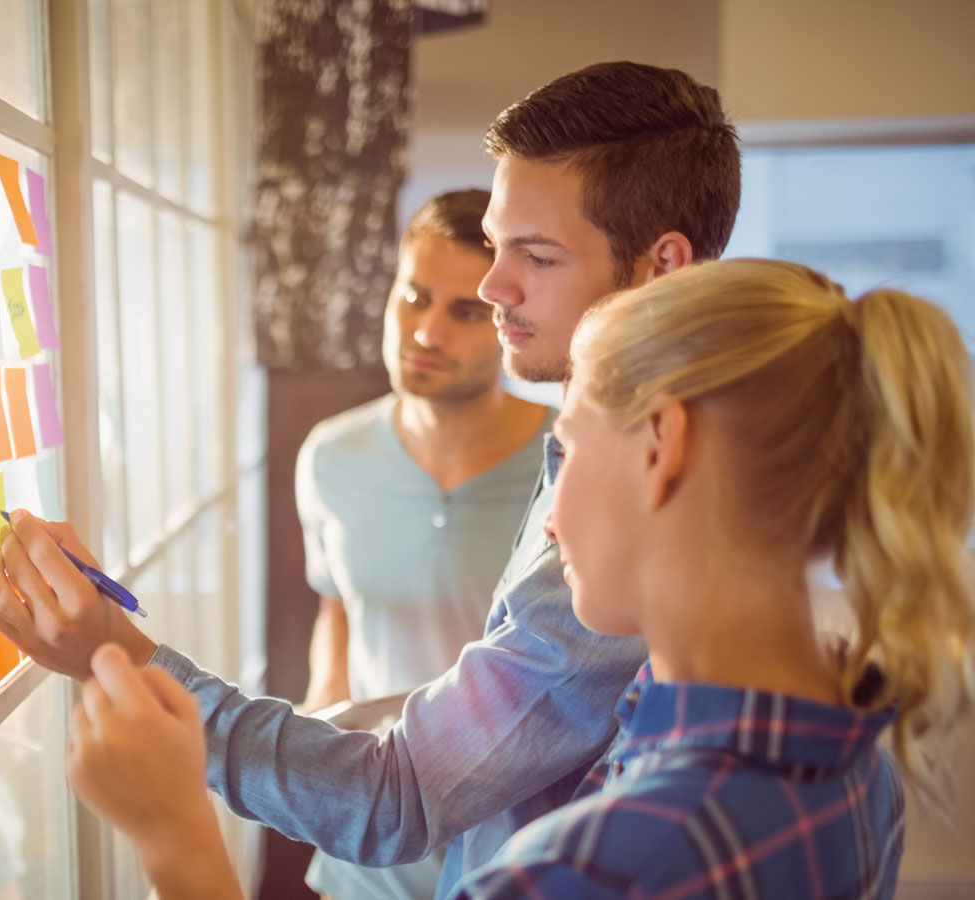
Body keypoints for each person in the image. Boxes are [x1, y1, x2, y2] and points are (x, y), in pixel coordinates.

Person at [0, 60, 741, 897]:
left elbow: (398, 794)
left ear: (661, 264)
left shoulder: (646, 495)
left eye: (536, 254)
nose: (493, 287)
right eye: (497, 246)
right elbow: (465, 714)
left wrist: (116, 654)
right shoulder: (589, 438)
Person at [63, 259, 975, 899]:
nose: (548, 514)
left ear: (662, 448)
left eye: (567, 450)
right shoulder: (860, 756)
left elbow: (402, 789)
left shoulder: (595, 871)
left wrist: (174, 836)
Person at [296, 188, 550, 899]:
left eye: (465, 312)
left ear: (510, 321)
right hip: (366, 846)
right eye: (413, 298)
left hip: (511, 849)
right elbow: (339, 605)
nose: (426, 333)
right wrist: (324, 706)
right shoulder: (329, 457)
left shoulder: (569, 465)